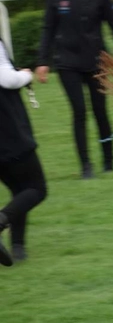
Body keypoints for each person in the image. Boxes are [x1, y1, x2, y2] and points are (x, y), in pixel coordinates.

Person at [34, 0, 113, 178]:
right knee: (79, 112)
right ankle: (86, 166)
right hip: (67, 63)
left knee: (100, 112)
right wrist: (42, 61)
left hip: (97, 62)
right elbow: (48, 28)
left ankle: (109, 161)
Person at [0, 39, 47, 265]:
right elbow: (7, 79)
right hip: (7, 130)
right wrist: (26, 76)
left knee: (19, 190)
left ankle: (18, 247)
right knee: (36, 188)